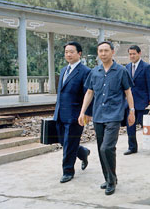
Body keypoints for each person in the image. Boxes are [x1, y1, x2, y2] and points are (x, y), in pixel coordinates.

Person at [78, 41, 135, 196]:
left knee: (106, 148)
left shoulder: (121, 71)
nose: (103, 54)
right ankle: (109, 178)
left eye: (106, 51)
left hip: (114, 115)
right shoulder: (94, 72)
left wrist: (132, 111)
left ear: (112, 52)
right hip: (98, 115)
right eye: (100, 51)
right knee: (101, 149)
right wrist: (83, 112)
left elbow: (128, 92)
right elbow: (89, 93)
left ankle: (111, 181)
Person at [53, 41, 92, 183]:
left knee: (69, 143)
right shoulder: (64, 70)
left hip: (76, 115)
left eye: (71, 52)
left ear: (79, 53)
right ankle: (82, 152)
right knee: (64, 141)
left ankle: (68, 171)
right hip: (60, 113)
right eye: (66, 52)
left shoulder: (85, 72)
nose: (68, 54)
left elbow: (89, 94)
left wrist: (86, 113)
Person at [124, 45, 150, 155]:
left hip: (143, 101)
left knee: (145, 125)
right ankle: (132, 147)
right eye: (130, 54)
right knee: (130, 126)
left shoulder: (146, 67)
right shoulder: (127, 67)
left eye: (134, 53)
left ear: (139, 53)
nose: (132, 56)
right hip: (130, 102)